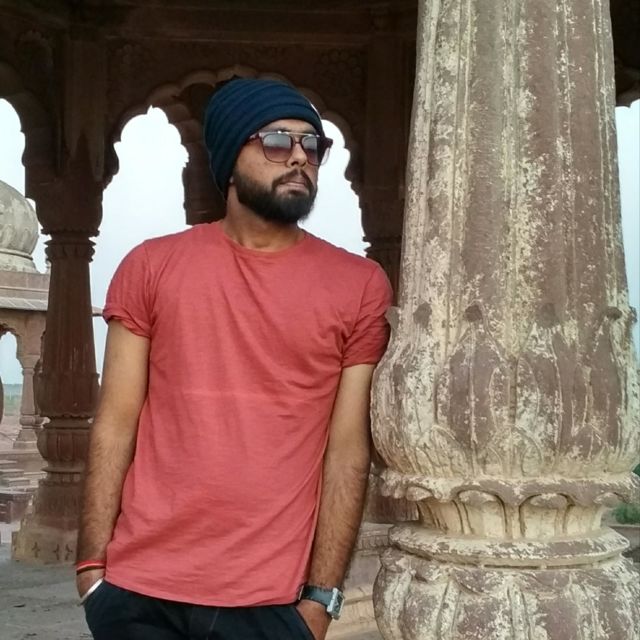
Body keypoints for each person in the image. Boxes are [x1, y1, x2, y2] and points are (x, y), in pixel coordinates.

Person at [76, 77, 392, 640]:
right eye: (277, 141)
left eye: (312, 144)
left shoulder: (359, 286)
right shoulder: (151, 267)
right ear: (227, 157)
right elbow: (116, 422)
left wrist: (322, 597)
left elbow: (348, 450)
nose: (299, 157)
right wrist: (92, 568)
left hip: (272, 602)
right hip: (139, 593)